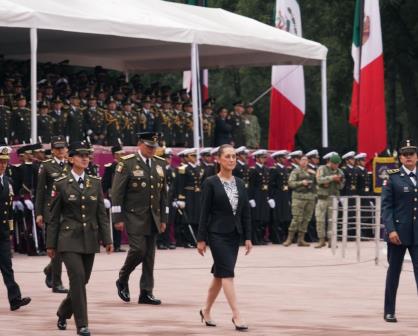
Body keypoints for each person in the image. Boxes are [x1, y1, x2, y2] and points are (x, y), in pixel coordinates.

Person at [47, 141, 113, 336]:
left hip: (90, 238)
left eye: (87, 155)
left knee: (82, 281)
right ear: (70, 159)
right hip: (68, 239)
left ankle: (63, 311)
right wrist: (51, 244)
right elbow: (53, 216)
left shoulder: (95, 182)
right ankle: (82, 324)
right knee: (77, 278)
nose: (85, 158)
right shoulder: (61, 183)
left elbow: (101, 213)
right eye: (80, 155)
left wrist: (107, 239)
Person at [197, 144, 252, 332]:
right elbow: (204, 212)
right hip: (217, 234)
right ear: (219, 159)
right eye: (227, 156)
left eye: (234, 156)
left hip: (234, 235)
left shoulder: (240, 183)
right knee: (228, 274)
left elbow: (245, 213)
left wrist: (248, 237)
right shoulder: (210, 182)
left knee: (219, 276)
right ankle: (237, 315)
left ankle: (205, 310)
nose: (231, 160)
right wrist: (201, 239)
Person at [112, 132, 167, 306]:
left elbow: (164, 194)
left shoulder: (160, 164)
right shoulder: (127, 163)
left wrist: (164, 218)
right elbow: (117, 193)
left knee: (149, 255)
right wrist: (117, 217)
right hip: (133, 215)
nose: (152, 149)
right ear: (140, 144)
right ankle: (123, 277)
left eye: (154, 147)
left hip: (153, 216)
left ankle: (146, 292)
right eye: (149, 146)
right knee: (138, 250)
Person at [382, 139, 418, 323]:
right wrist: (391, 230)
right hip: (397, 233)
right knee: (394, 272)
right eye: (405, 154)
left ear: (416, 157)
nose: (408, 157)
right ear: (400, 158)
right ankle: (389, 311)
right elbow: (386, 207)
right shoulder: (393, 176)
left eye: (412, 154)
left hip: (417, 233)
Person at [35, 135, 70, 293]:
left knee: (65, 248)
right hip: (51, 212)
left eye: (62, 148)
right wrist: (39, 213)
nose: (60, 151)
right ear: (52, 150)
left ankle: (50, 269)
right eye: (57, 148)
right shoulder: (46, 166)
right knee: (55, 247)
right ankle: (57, 283)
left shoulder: (70, 164)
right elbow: (40, 191)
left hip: (68, 212)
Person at [0, 146, 32, 311]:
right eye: (0, 162)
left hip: (3, 232)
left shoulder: (8, 181)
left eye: (5, 162)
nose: (3, 165)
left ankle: (15, 299)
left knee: (7, 266)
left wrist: (11, 230)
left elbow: (9, 210)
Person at [283, 155, 316, 247]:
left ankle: (301, 239)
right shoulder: (295, 171)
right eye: (303, 160)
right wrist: (302, 183)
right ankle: (289, 238)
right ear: (299, 161)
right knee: (296, 219)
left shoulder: (311, 172)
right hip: (298, 198)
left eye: (306, 160)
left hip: (309, 198)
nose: (304, 162)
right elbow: (291, 183)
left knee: (306, 219)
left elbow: (316, 184)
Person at [315, 153, 345, 248]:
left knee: (332, 221)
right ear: (330, 162)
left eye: (338, 164)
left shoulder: (340, 171)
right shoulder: (322, 169)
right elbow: (319, 180)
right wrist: (331, 178)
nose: (336, 166)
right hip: (322, 198)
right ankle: (321, 240)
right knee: (320, 219)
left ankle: (331, 240)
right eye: (335, 164)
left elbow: (342, 186)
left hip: (333, 199)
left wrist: (339, 181)